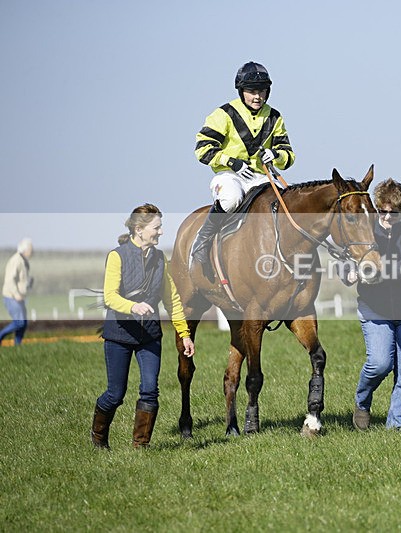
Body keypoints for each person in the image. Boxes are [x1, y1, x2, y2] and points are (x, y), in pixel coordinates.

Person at [91, 204, 195, 449]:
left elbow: (173, 300)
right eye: (156, 228)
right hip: (119, 335)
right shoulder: (117, 256)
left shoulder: (160, 259)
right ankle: (98, 437)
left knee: (150, 390)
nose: (160, 232)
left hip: (149, 335)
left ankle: (141, 445)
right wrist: (133, 306)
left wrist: (185, 334)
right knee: (115, 395)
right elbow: (110, 296)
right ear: (139, 229)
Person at [190, 61, 296, 280]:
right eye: (252, 91)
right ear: (242, 91)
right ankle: (203, 240)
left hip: (260, 178)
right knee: (230, 199)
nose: (257, 96)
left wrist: (276, 155)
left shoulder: (275, 117)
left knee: (282, 205)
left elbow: (288, 155)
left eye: (262, 91)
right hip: (230, 176)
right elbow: (202, 150)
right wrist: (231, 162)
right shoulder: (223, 114)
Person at [343, 179, 401, 430]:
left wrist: (376, 270)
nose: (387, 217)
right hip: (375, 310)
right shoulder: (366, 229)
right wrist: (349, 273)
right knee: (379, 364)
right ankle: (362, 401)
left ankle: (396, 428)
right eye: (382, 211)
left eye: (394, 212)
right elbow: (349, 257)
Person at [1, 238, 34, 346]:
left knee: (23, 324)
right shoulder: (16, 260)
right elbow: (10, 280)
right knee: (19, 322)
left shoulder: (23, 261)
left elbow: (21, 280)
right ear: (25, 250)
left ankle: (17, 345)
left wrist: (28, 284)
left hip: (19, 297)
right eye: (30, 249)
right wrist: (16, 294)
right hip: (12, 296)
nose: (31, 251)